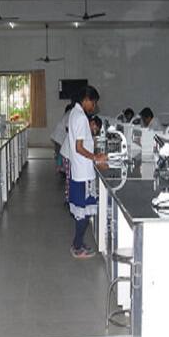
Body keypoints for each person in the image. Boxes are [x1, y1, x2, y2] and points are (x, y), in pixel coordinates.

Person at [68, 85, 107, 259]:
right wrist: (95, 157)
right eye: (94, 102)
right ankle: (77, 247)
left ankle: (78, 243)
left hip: (80, 171)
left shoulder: (75, 114)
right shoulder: (80, 117)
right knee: (83, 213)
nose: (94, 106)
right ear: (86, 99)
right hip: (83, 172)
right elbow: (79, 147)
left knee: (84, 211)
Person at [51, 102, 75, 173]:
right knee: (61, 153)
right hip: (60, 136)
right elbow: (67, 127)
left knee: (61, 153)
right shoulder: (71, 113)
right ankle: (61, 168)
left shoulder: (70, 112)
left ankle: (61, 168)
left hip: (59, 136)